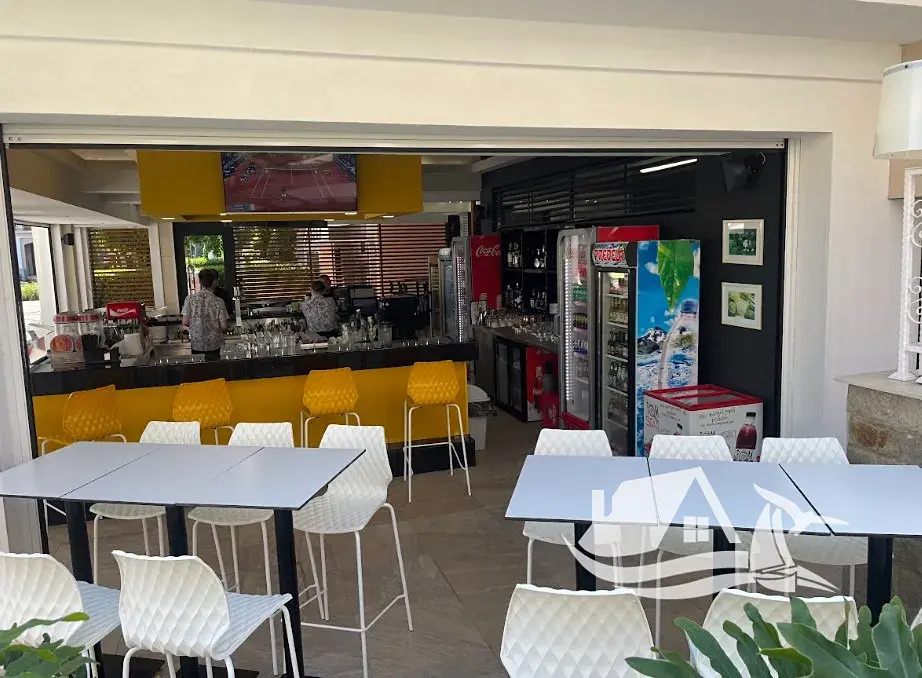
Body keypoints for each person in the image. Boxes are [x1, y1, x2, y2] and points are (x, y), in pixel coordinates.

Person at [182, 268, 228, 360]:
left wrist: (196, 326)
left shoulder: (189, 299)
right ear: (214, 282)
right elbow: (224, 326)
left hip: (197, 344)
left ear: (200, 282)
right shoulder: (219, 301)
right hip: (214, 345)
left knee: (199, 368)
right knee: (215, 368)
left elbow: (185, 322)